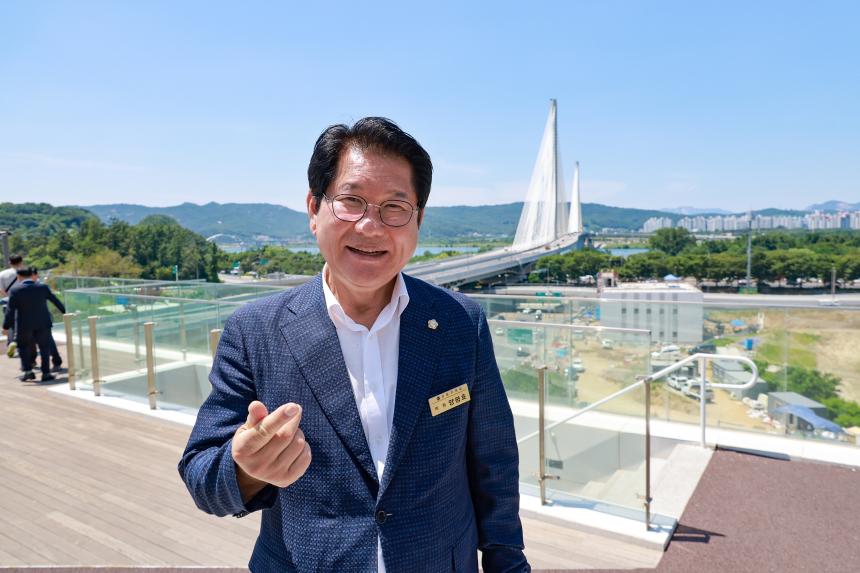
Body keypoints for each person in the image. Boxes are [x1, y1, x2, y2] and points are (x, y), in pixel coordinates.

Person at [179, 118, 529, 573]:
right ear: (314, 208)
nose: (370, 226)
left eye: (395, 207)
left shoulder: (461, 323)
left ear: (419, 219)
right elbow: (202, 476)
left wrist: (508, 564)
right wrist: (246, 468)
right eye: (351, 201)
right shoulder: (255, 331)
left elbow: (494, 465)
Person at [2, 266, 66, 382]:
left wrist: (6, 326)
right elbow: (55, 300)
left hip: (24, 325)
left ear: (18, 277)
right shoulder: (42, 287)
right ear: (31, 275)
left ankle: (28, 372)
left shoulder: (15, 290)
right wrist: (65, 312)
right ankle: (46, 373)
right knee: (44, 347)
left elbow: (10, 310)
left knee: (23, 347)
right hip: (43, 323)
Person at [1, 254, 25, 357]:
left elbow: (0, 289)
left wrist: (8, 297)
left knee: (10, 325)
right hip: (23, 303)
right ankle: (21, 346)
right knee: (23, 325)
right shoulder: (25, 273)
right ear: (21, 262)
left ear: (10, 263)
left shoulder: (2, 274)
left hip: (8, 302)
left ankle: (11, 344)